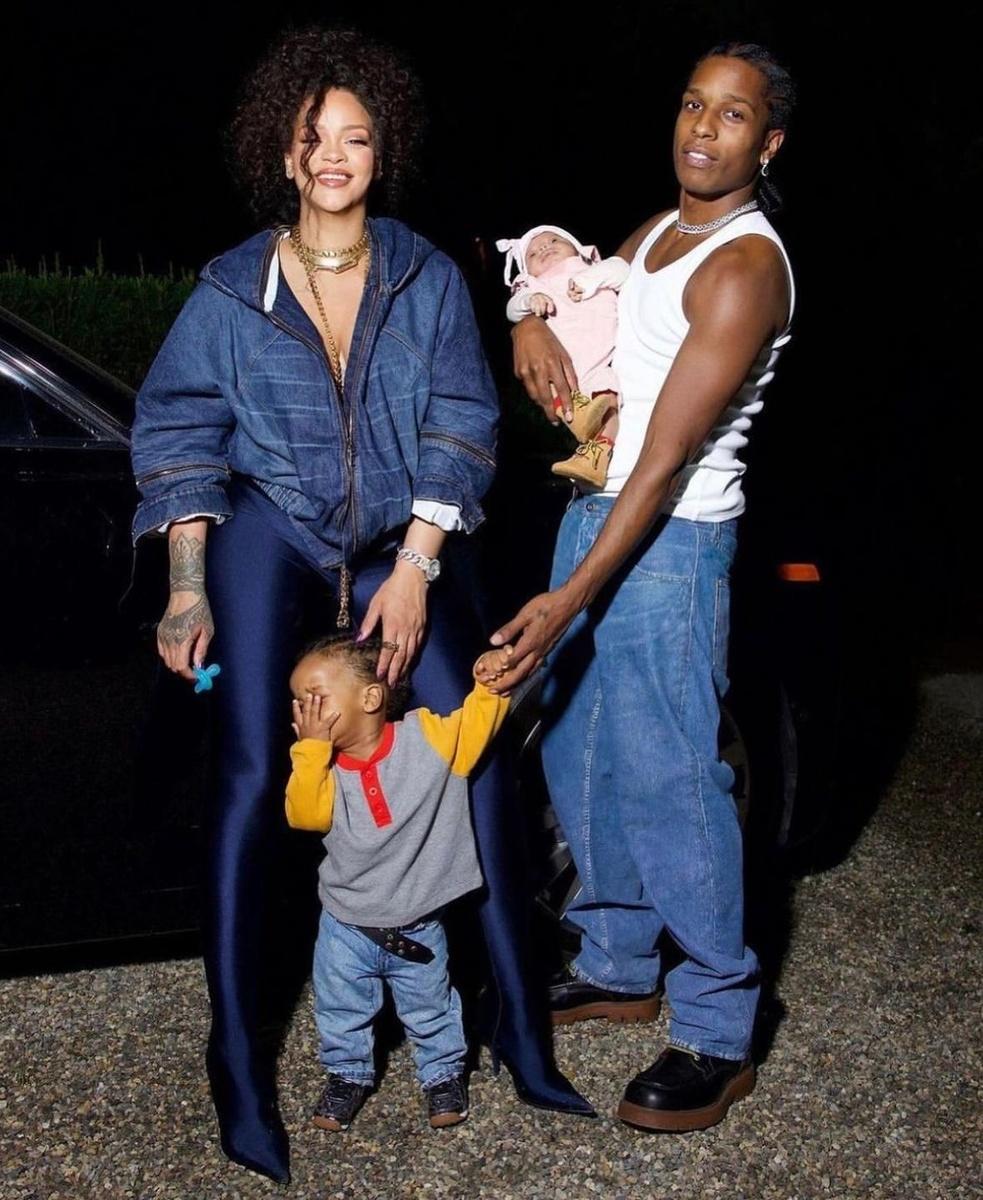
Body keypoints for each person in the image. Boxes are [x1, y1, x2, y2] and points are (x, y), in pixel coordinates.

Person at [129, 25, 590, 1185]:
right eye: (312, 137)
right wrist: (185, 589)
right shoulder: (229, 289)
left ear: (381, 153)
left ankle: (519, 1032)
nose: (332, 156)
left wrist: (421, 564)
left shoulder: (423, 276)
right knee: (251, 766)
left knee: (473, 754)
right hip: (271, 526)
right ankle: (238, 1066)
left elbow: (461, 421)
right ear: (282, 154)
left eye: (355, 137)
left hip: (397, 538)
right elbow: (181, 431)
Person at [486, 42, 797, 1132]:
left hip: (673, 539)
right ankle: (617, 962)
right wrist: (528, 319)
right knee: (578, 753)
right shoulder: (661, 232)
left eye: (732, 115)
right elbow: (574, 287)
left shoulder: (745, 267)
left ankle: (717, 1026)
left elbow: (663, 461)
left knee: (671, 778)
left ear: (767, 142)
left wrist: (567, 597)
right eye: (691, 105)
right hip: (596, 510)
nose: (702, 128)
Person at [285, 635, 514, 1132]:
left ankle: (443, 1076)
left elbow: (476, 723)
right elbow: (305, 816)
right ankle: (346, 1075)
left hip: (418, 927)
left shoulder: (426, 738)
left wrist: (490, 681)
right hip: (345, 927)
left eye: (315, 697)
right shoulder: (317, 768)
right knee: (340, 1010)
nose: (304, 711)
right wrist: (310, 752)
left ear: (371, 698)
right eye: (298, 701)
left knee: (432, 1007)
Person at [496, 225, 628, 488]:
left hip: (602, 355)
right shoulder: (532, 285)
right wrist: (530, 300)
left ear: (577, 247)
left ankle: (594, 452)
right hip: (565, 362)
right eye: (533, 253)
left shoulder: (592, 267)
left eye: (554, 240)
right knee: (560, 388)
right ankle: (588, 440)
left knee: (607, 398)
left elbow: (622, 270)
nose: (544, 247)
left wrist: (589, 280)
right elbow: (512, 309)